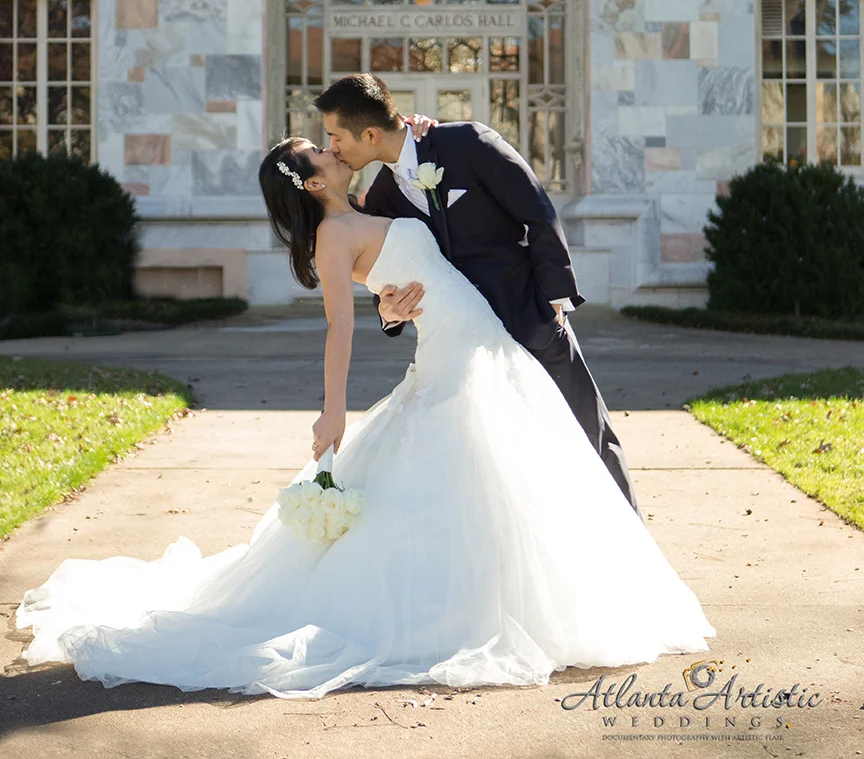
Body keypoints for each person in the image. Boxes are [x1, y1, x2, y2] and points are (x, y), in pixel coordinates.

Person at [14, 135, 716, 700]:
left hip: (479, 340)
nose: (330, 147)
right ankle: (464, 614)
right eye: (317, 150)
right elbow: (339, 331)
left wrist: (392, 302)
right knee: (470, 470)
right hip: (451, 352)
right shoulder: (331, 237)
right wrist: (331, 415)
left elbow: (418, 267)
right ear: (313, 182)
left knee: (511, 468)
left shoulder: (380, 199)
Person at [314, 74, 641, 515]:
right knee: (509, 464)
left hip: (530, 319)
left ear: (369, 134)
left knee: (588, 437)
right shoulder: (382, 198)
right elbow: (389, 268)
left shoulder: (466, 142)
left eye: (335, 137)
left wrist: (556, 304)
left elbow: (538, 213)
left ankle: (631, 543)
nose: (332, 148)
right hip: (466, 350)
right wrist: (389, 311)